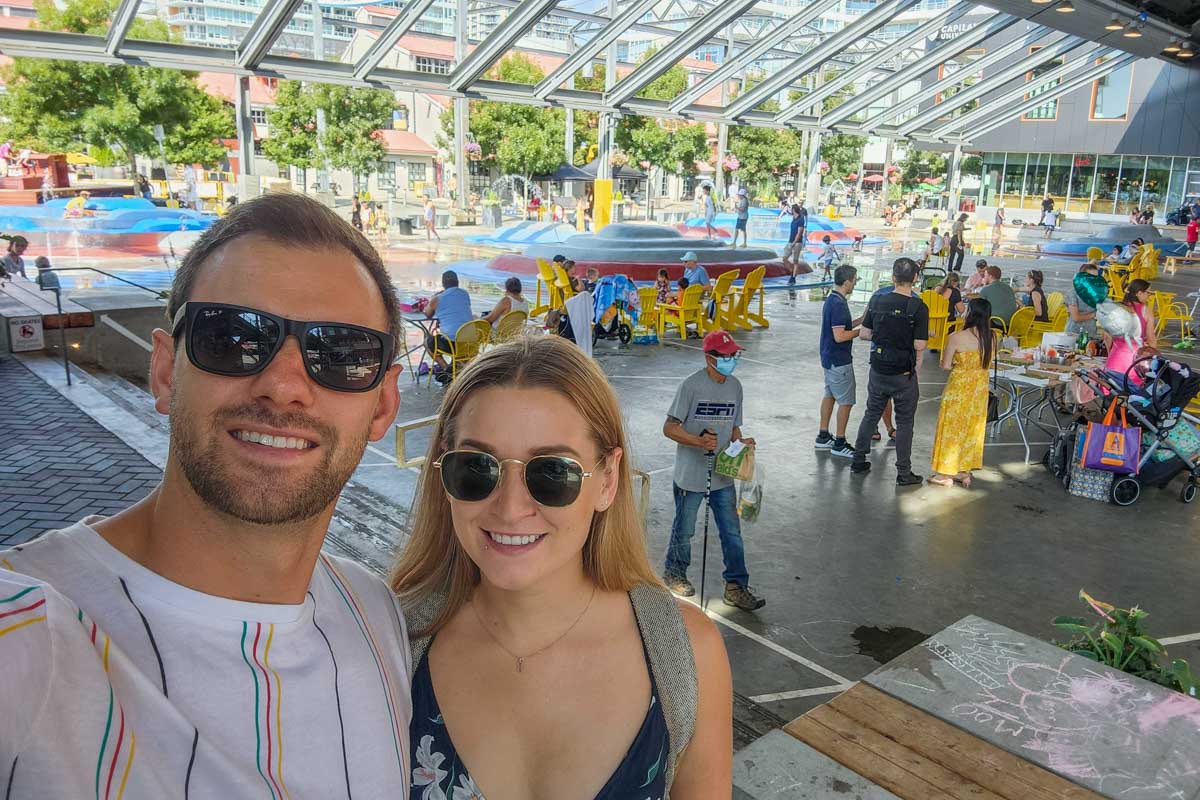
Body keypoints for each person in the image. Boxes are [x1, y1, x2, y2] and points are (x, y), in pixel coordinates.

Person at [0, 193, 412, 796]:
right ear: (165, 372)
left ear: (383, 405)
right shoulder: (30, 637)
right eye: (234, 337)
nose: (282, 386)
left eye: (340, 353)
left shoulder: (375, 613)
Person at [393, 336, 732, 798]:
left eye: (552, 472)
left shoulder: (689, 653)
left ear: (608, 481)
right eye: (476, 467)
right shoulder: (390, 644)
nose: (511, 509)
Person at [660, 329, 764, 610]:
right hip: (691, 475)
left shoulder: (735, 387)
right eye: (727, 356)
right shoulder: (691, 386)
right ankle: (674, 573)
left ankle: (736, 585)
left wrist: (741, 442)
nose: (732, 360)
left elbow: (733, 426)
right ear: (710, 358)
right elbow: (669, 427)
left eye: (734, 355)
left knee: (732, 531)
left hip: (722, 474)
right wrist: (697, 440)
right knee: (685, 529)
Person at [850, 257, 928, 486]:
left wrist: (884, 336)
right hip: (903, 374)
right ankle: (904, 472)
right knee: (905, 423)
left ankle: (858, 459)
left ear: (893, 277)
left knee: (871, 413)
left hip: (878, 370)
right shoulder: (918, 307)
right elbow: (920, 345)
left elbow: (864, 334)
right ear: (915, 278)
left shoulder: (877, 300)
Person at [929, 298, 994, 488]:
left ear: (970, 313)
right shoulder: (993, 337)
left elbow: (946, 365)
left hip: (959, 388)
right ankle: (964, 471)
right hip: (979, 390)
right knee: (972, 428)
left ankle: (945, 473)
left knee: (951, 427)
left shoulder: (956, 337)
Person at [816, 265, 862, 459]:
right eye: (854, 280)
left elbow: (841, 326)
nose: (855, 283)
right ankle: (840, 442)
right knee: (846, 401)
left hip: (828, 358)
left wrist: (861, 320)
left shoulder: (832, 299)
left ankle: (824, 434)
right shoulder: (839, 305)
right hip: (839, 360)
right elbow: (840, 335)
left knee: (830, 395)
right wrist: (864, 332)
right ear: (847, 282)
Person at [425, 269, 475, 385]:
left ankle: (447, 370)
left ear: (443, 283)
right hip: (470, 343)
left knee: (427, 342)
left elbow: (427, 313)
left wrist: (435, 297)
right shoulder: (465, 294)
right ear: (457, 282)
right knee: (454, 335)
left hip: (452, 344)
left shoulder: (438, 298)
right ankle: (453, 372)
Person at [1105, 279, 1156, 379]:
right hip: (1135, 358)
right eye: (1148, 293)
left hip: (1116, 356)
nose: (1149, 296)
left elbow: (1107, 336)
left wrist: (1110, 352)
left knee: (1110, 388)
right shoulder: (1146, 310)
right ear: (1139, 293)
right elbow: (1151, 340)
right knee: (1133, 389)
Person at [976, 265, 1017, 330]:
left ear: (990, 276)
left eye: (985, 275)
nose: (984, 277)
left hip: (996, 323)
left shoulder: (986, 289)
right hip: (1010, 324)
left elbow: (978, 308)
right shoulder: (1009, 288)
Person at [1065, 262, 1099, 338]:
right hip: (1074, 334)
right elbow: (1075, 317)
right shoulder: (1073, 293)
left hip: (1091, 333)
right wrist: (1095, 314)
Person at [784, 203, 809, 284]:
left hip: (797, 243)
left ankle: (793, 277)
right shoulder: (793, 218)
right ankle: (792, 271)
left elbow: (799, 233)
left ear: (794, 210)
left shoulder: (800, 219)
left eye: (791, 209)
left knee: (795, 260)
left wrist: (794, 243)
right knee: (784, 258)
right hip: (790, 241)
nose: (791, 210)